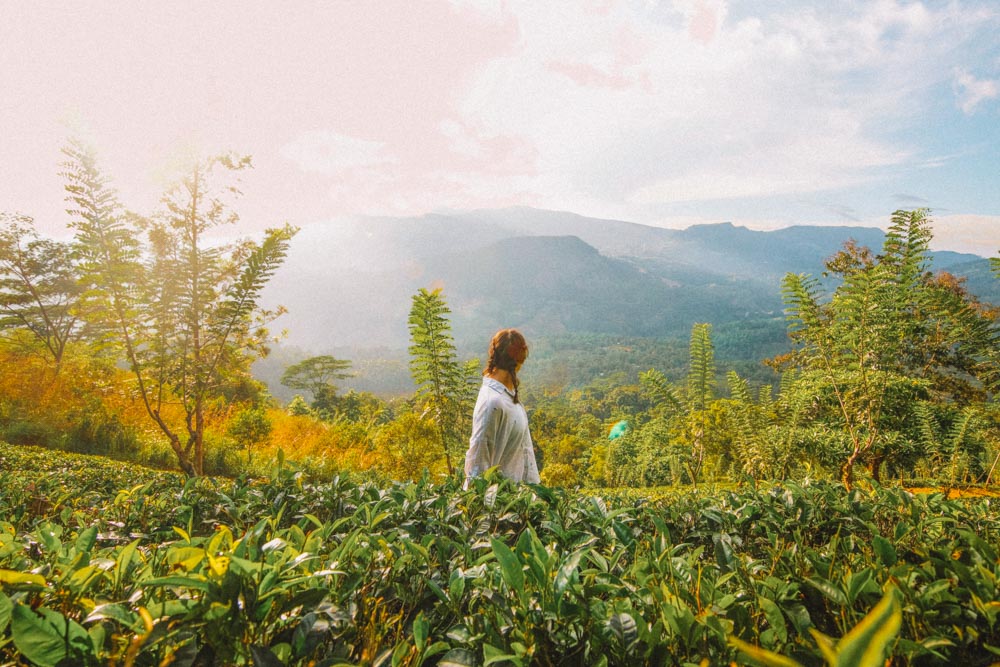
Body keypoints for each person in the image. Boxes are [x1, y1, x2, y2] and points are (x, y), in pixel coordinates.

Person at [463, 328, 540, 488]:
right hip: (499, 505)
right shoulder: (492, 402)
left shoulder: (507, 397)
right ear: (520, 359)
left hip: (517, 502)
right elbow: (477, 462)